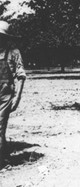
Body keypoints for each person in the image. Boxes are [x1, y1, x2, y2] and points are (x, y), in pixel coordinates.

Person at [0, 20, 26, 170]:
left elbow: (21, 76)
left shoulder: (14, 53)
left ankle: (2, 160)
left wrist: (17, 98)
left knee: (0, 127)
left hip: (5, 94)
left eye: (2, 36)